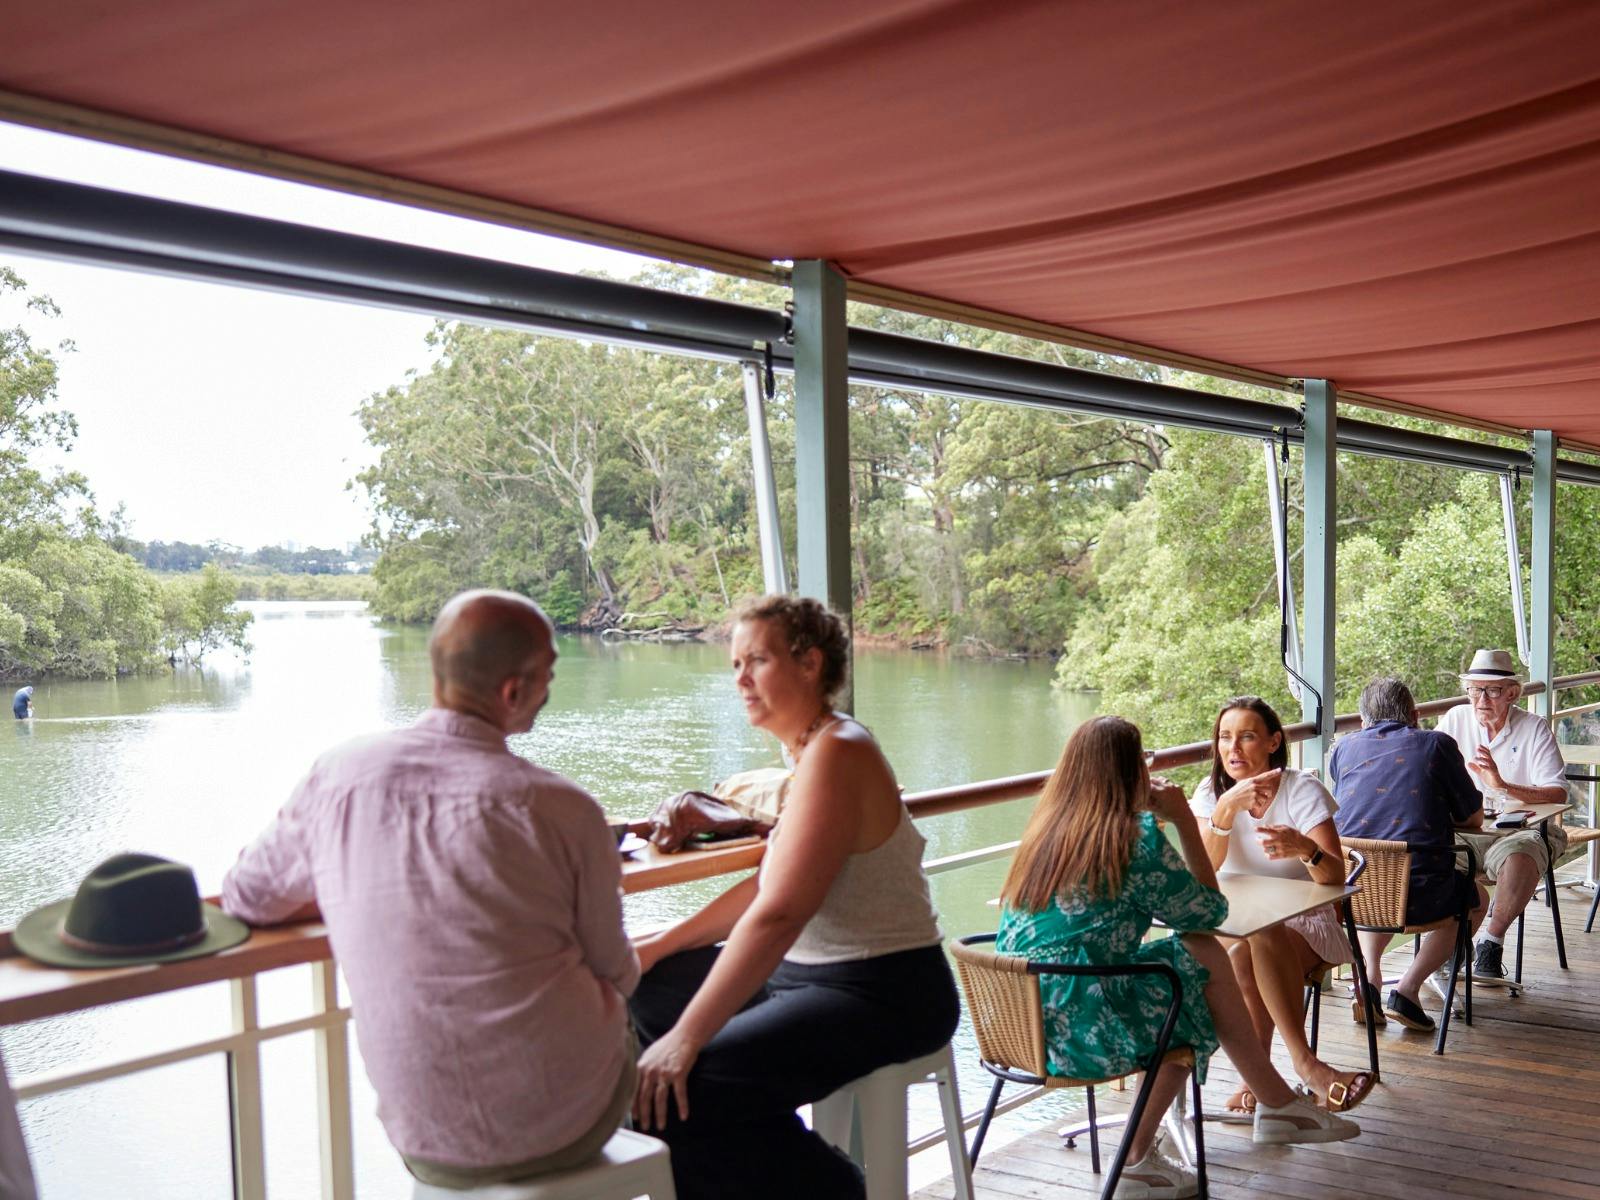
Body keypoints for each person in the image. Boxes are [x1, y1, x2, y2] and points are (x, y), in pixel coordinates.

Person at [222, 590, 639, 1188]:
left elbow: (248, 898)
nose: (550, 688)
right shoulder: (563, 808)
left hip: (425, 1138)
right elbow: (617, 973)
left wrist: (352, 886)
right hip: (567, 1125)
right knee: (641, 1022)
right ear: (514, 692)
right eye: (548, 675)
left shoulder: (341, 774)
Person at [628, 595, 958, 1200]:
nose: (740, 679)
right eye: (735, 664)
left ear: (809, 663)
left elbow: (779, 912)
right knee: (646, 994)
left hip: (883, 989)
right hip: (802, 975)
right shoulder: (808, 752)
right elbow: (767, 886)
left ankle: (837, 1188)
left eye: (756, 660)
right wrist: (657, 947)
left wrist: (689, 1037)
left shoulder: (840, 750)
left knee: (677, 1095)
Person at [997, 716, 1358, 1200]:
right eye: (1143, 760)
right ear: (1131, 772)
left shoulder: (1045, 832)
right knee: (1191, 982)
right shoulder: (1132, 839)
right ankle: (1147, 1153)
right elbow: (1208, 913)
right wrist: (1184, 819)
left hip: (1019, 1020)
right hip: (1078, 1031)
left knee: (1190, 958)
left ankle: (1272, 1103)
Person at [1190, 697, 1371, 1115]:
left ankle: (1271, 1077)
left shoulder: (1301, 789)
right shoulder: (1210, 793)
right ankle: (1293, 1072)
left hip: (1305, 923)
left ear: (1273, 742)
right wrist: (1225, 810)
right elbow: (1203, 873)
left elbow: (1335, 877)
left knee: (1257, 938)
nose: (1233, 748)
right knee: (1248, 943)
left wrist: (1305, 849)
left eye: (1246, 737)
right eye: (1224, 737)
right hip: (1236, 924)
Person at [1329, 677, 1488, 1032]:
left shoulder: (1343, 747)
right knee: (1477, 899)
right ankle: (1408, 989)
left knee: (1379, 885)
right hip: (1422, 894)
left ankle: (1370, 979)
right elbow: (1472, 817)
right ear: (1415, 716)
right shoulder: (1437, 745)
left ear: (1363, 721)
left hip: (1353, 889)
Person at [1436, 648, 1570, 985]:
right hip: (1466, 830)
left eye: (1492, 691)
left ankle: (1490, 943)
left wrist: (1502, 785)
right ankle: (1452, 943)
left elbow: (1557, 793)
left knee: (1522, 854)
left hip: (1519, 830)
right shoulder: (1454, 720)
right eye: (1475, 690)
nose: (1481, 700)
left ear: (1512, 693)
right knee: (1429, 852)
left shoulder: (1534, 728)